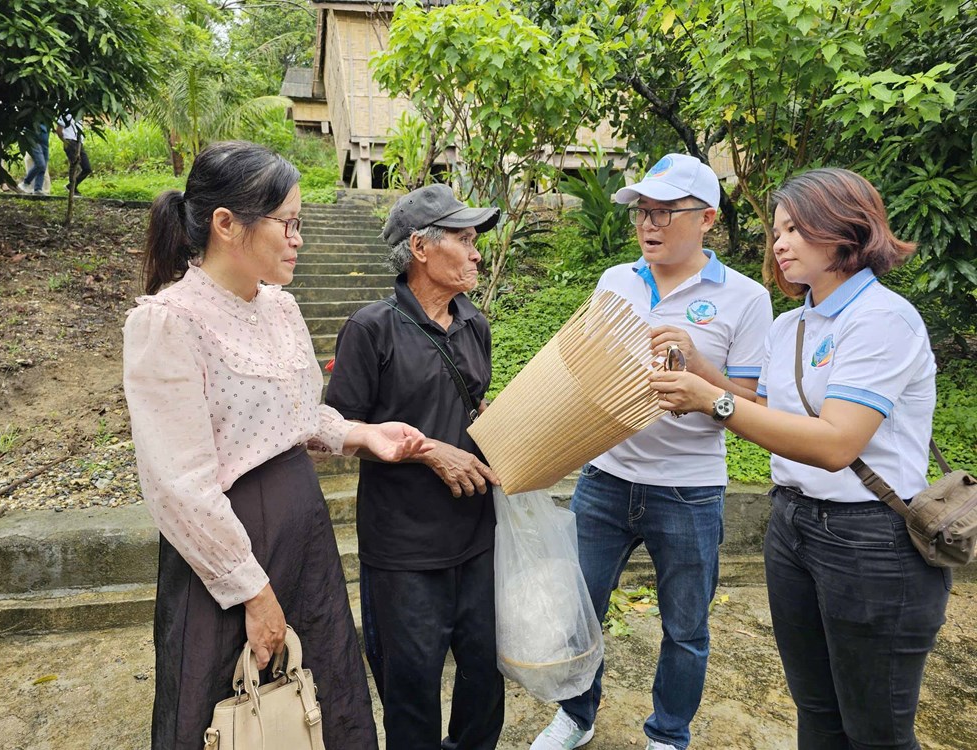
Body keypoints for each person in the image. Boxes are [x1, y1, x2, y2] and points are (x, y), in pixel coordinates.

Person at [123, 140, 432, 749]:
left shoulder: (281, 309)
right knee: (236, 711)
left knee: (322, 699)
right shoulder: (170, 323)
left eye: (300, 223)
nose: (298, 239)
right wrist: (253, 593)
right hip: (230, 551)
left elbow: (297, 416)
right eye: (287, 224)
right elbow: (179, 487)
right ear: (226, 224)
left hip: (303, 533)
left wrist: (362, 434)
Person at [650, 167, 949, 750]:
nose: (779, 243)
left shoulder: (882, 319)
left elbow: (836, 444)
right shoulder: (792, 323)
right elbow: (765, 409)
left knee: (877, 731)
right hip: (792, 525)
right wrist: (702, 372)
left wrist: (710, 401)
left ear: (845, 231)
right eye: (777, 230)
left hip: (871, 540)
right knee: (815, 710)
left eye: (795, 229)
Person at [531, 154, 773, 750]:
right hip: (605, 478)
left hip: (690, 489)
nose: (648, 224)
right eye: (642, 211)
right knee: (580, 610)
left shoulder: (745, 298)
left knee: (686, 628)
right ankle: (577, 715)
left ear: (707, 218)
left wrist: (699, 366)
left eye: (665, 212)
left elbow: (750, 402)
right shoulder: (615, 280)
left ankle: (668, 734)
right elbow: (582, 366)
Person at [324, 183, 504, 749]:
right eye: (464, 240)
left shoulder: (474, 323)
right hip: (404, 551)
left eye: (476, 241)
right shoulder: (371, 328)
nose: (476, 254)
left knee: (485, 682)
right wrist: (427, 450)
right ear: (420, 248)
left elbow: (470, 405)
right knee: (411, 694)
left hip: (476, 538)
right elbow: (338, 432)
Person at [56, 112, 91, 194]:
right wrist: (65, 142)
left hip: (79, 143)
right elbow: (59, 130)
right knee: (74, 165)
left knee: (87, 168)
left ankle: (71, 186)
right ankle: (72, 189)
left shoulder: (79, 114)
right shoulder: (65, 114)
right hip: (70, 141)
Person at [17, 123, 50, 195]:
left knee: (43, 167)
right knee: (40, 164)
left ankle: (38, 188)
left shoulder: (45, 119)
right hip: (34, 141)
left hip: (45, 142)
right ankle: (25, 183)